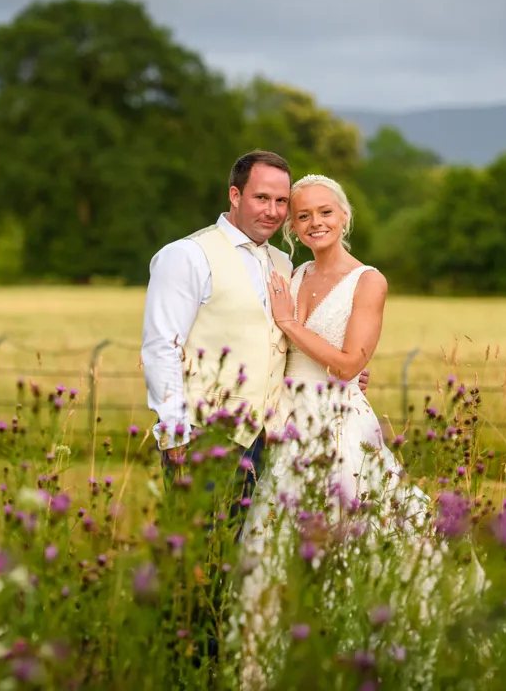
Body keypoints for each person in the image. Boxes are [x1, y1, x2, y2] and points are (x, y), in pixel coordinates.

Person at [234, 174, 486, 688]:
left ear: (345, 216)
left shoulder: (368, 280)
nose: (315, 223)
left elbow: (349, 365)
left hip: (338, 424)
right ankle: (272, 668)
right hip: (287, 425)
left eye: (325, 212)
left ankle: (363, 655)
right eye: (302, 216)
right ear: (292, 226)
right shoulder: (295, 272)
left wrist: (290, 324)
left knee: (353, 536)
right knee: (274, 547)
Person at [140, 152, 371, 674]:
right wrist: (175, 435)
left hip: (270, 437)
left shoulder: (284, 264)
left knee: (248, 564)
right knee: (195, 566)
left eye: (280, 201)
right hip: (206, 435)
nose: (271, 210)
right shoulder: (187, 256)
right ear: (235, 195)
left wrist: (347, 368)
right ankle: (187, 673)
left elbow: (286, 341)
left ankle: (234, 668)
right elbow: (161, 346)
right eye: (261, 197)